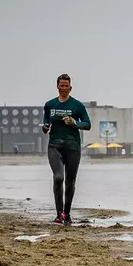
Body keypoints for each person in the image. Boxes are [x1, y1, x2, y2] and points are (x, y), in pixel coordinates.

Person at [42, 74, 91, 225]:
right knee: (58, 177)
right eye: (61, 86)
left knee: (70, 181)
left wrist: (74, 123)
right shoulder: (50, 105)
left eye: (66, 86)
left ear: (71, 87)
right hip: (54, 145)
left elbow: (87, 125)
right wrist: (45, 127)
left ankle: (67, 214)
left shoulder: (77, 105)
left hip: (72, 147)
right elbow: (45, 123)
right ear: (57, 87)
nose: (64, 88)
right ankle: (58, 214)